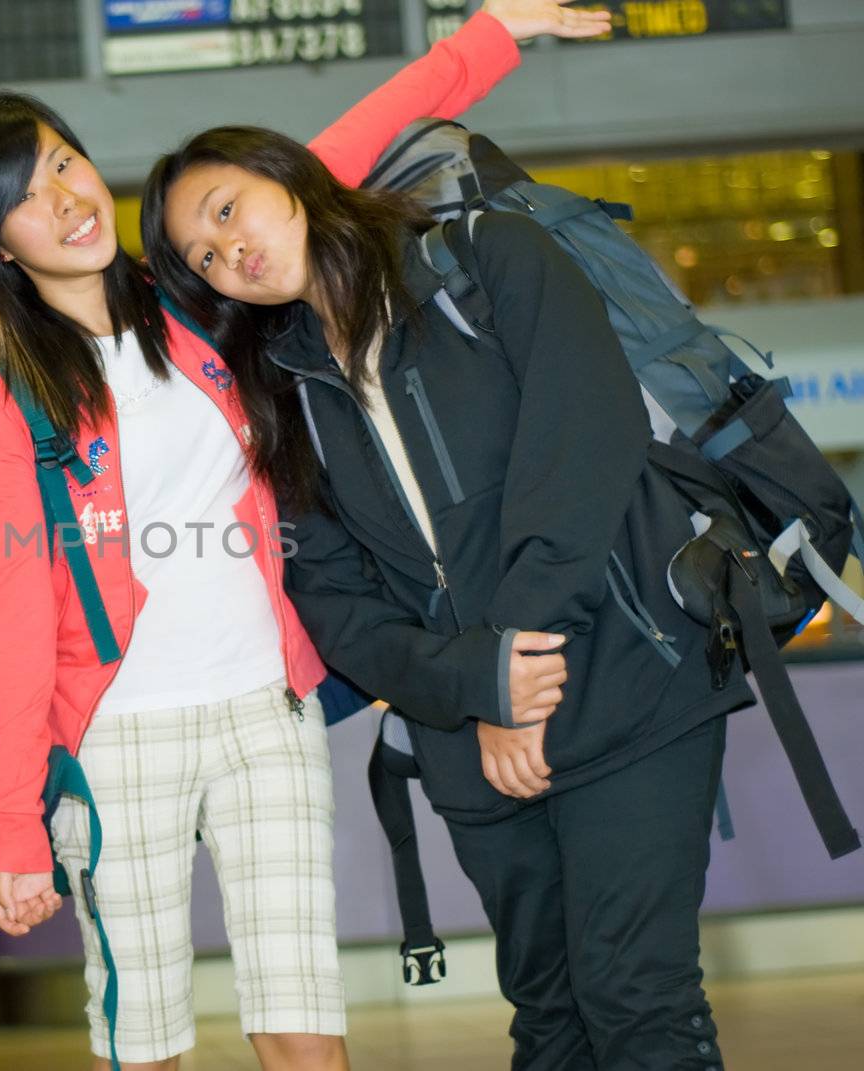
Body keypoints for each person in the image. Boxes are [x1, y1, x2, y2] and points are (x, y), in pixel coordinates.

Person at [0, 3, 609, 1068]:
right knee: (142, 1042)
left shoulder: (194, 300)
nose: (64, 203)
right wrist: (12, 822)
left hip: (265, 715)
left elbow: (323, 160)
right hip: (114, 737)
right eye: (22, 200)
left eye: (62, 164)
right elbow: (10, 611)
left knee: (301, 1027)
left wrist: (489, 35)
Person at [142, 76, 741, 1071]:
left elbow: (584, 448)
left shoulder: (484, 261)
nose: (229, 250)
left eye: (226, 209)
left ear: (285, 176)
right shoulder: (281, 393)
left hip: (627, 680)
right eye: (205, 256)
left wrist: (514, 655)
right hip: (467, 732)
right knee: (548, 1010)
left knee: (635, 996)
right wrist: (475, 685)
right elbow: (331, 596)